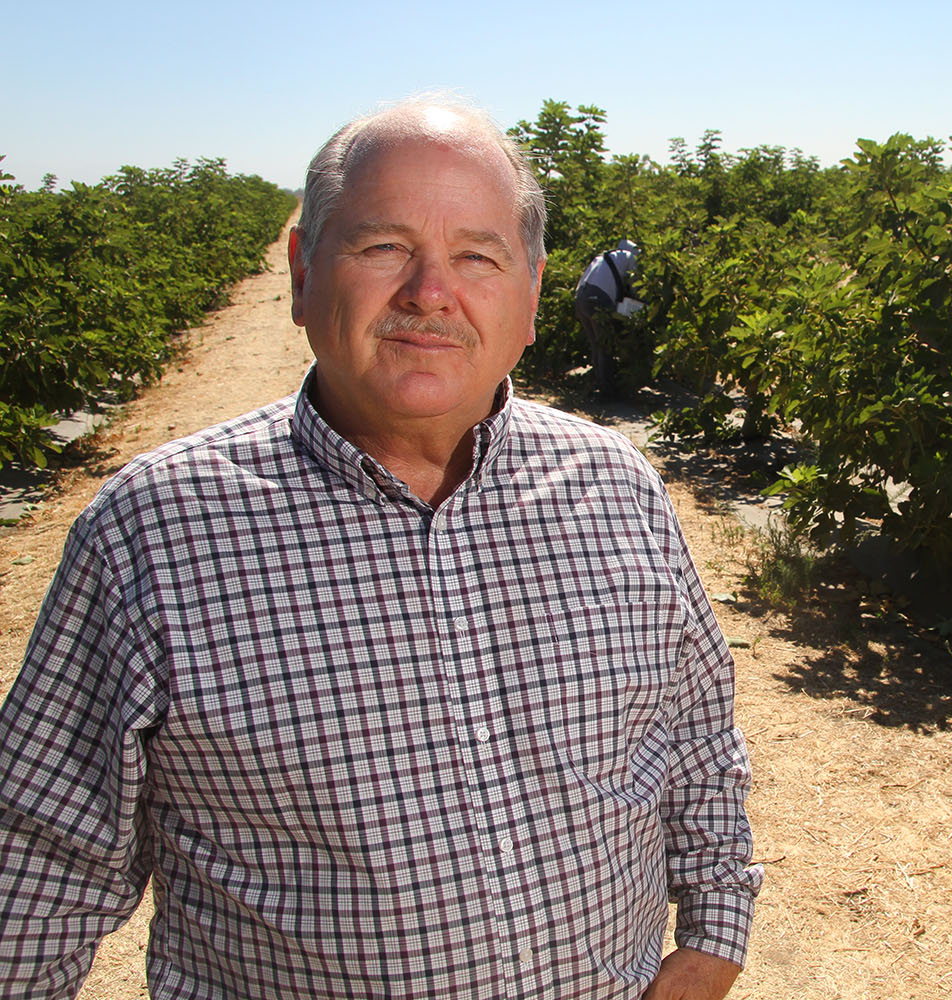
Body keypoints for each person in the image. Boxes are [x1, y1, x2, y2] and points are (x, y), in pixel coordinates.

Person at [0, 99, 759, 1000]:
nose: (430, 292)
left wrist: (716, 926)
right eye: (382, 247)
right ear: (301, 271)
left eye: (478, 256)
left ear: (533, 294)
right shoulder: (154, 534)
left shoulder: (616, 489)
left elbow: (696, 733)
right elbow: (40, 862)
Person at [574, 239, 642, 397]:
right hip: (598, 299)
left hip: (581, 298)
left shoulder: (603, 257)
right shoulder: (629, 257)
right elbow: (634, 284)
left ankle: (599, 383)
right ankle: (607, 391)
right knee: (605, 346)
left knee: (596, 344)